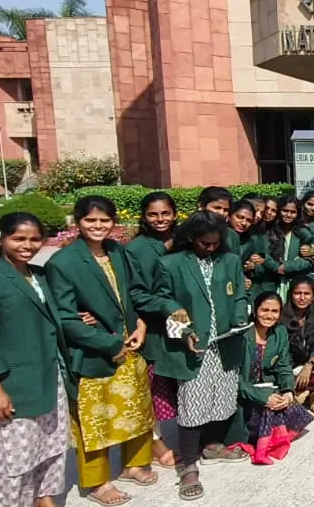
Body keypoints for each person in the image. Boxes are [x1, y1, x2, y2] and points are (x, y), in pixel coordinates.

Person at [46, 197, 158, 504]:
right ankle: (97, 482)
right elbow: (65, 318)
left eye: (104, 220)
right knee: (94, 421)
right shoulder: (63, 263)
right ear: (77, 222)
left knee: (136, 409)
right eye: (90, 220)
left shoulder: (117, 251)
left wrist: (140, 323)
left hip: (130, 344)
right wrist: (110, 344)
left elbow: (133, 293)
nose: (98, 226)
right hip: (93, 353)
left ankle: (134, 464)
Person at [0, 212, 70, 507]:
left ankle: (44, 497)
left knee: (53, 443)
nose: (27, 246)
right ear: (1, 238)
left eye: (35, 239)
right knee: (15, 457)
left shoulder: (41, 276)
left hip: (49, 377)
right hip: (12, 384)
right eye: (19, 238)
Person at [156, 211, 252, 501]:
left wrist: (238, 318)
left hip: (225, 343)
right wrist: (184, 331)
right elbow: (164, 301)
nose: (210, 248)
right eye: (204, 244)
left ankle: (212, 446)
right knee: (192, 404)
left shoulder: (230, 261)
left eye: (215, 243)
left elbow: (239, 295)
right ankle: (188, 466)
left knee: (222, 399)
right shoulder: (171, 263)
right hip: (194, 346)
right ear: (191, 238)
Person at [123, 192, 181, 468]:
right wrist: (167, 306)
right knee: (151, 389)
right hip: (154, 326)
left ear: (175, 214)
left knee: (181, 383)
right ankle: (156, 443)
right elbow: (135, 293)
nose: (160, 219)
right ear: (144, 217)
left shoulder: (184, 240)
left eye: (165, 213)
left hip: (183, 325)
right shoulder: (135, 249)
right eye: (153, 214)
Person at [237, 292, 312, 465]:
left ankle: (270, 435)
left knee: (289, 407)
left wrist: (287, 391)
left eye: (274, 311)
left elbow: (284, 366)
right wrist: (264, 397)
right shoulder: (243, 334)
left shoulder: (280, 332)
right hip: (243, 391)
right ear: (255, 311)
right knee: (268, 409)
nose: (269, 315)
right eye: (264, 310)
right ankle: (262, 447)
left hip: (267, 385)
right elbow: (234, 379)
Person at [281, 277, 314, 415]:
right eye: (297, 293)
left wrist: (309, 365)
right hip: (289, 364)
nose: (302, 298)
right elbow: (282, 351)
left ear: (313, 296)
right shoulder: (281, 316)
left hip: (308, 361)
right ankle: (298, 393)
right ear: (291, 294)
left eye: (306, 294)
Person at [264, 195, 314, 299]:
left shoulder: (304, 233)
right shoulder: (268, 231)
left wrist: (287, 267)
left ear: (298, 214)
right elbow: (263, 254)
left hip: (295, 281)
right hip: (271, 280)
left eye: (293, 212)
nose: (288, 215)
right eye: (285, 211)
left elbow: (309, 259)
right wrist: (276, 267)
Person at [230, 200, 272, 298]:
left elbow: (260, 268)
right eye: (240, 217)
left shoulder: (251, 241)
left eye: (249, 220)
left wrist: (251, 268)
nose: (244, 223)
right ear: (230, 215)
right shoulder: (219, 236)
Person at [198, 186, 237, 253]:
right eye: (217, 208)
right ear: (201, 206)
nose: (221, 213)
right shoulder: (187, 231)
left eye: (226, 210)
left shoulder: (231, 235)